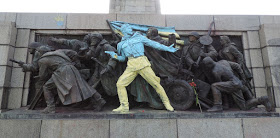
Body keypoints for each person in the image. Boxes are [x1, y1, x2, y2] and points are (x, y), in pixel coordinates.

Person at [105, 24, 178, 112]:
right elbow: (123, 58)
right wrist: (115, 56)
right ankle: (124, 106)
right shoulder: (120, 44)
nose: (130, 29)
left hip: (142, 63)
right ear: (123, 30)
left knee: (155, 84)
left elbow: (154, 44)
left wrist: (167, 48)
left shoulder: (139, 37)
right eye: (128, 28)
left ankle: (167, 104)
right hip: (131, 66)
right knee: (120, 84)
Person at [37, 49, 106, 113]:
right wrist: (76, 62)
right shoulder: (58, 51)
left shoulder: (42, 60)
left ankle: (50, 108)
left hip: (62, 71)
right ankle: (99, 100)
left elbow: (42, 76)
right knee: (83, 86)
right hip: (72, 68)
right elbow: (73, 53)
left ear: (40, 53)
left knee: (47, 87)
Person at [202, 57, 272, 112]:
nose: (206, 67)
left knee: (214, 86)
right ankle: (261, 100)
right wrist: (243, 78)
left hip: (233, 84)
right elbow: (237, 66)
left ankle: (217, 105)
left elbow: (221, 89)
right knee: (243, 106)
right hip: (237, 82)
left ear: (209, 64)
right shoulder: (223, 62)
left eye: (206, 65)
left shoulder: (215, 71)